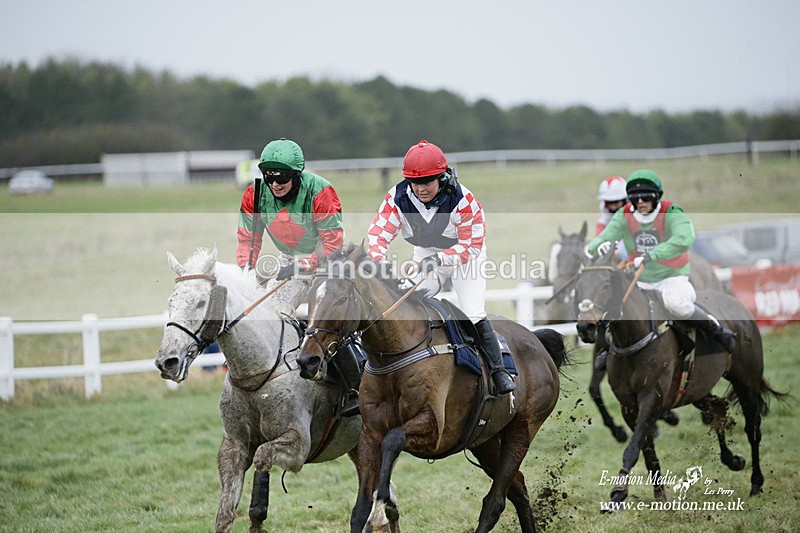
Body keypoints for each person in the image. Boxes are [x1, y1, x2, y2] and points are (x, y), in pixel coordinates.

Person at [366, 139, 516, 394]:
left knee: (471, 310)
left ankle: (499, 371)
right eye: (415, 183)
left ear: (442, 176)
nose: (421, 189)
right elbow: (377, 236)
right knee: (407, 300)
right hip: (426, 250)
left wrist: (436, 260)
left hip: (466, 255)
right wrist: (380, 266)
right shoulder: (397, 197)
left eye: (427, 181)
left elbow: (471, 245)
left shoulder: (464, 200)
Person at [236, 138, 361, 416]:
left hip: (327, 260)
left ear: (297, 175)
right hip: (288, 259)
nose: (275, 183)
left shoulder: (321, 190)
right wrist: (245, 274)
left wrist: (301, 265)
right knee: (268, 310)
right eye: (269, 176)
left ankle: (355, 387)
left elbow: (331, 246)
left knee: (324, 319)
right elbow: (248, 239)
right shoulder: (254, 194)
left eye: (282, 177)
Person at [585, 169, 736, 353]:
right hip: (639, 279)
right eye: (635, 198)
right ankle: (608, 351)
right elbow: (604, 236)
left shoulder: (672, 211)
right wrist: (595, 247)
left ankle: (717, 332)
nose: (640, 202)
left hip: (671, 277)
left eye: (646, 197)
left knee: (676, 305)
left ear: (656, 196)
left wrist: (652, 255)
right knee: (610, 303)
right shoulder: (624, 214)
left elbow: (684, 238)